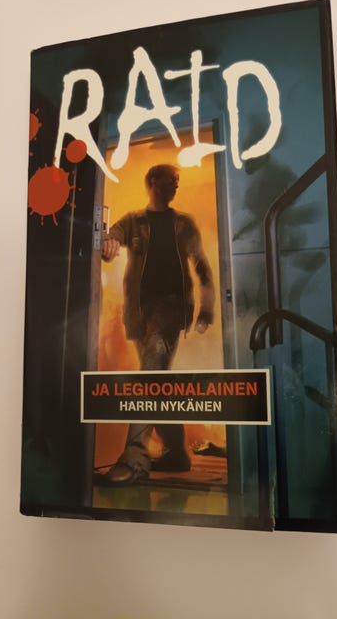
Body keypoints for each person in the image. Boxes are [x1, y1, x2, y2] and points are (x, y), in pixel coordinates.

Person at [102, 163, 215, 484]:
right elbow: (112, 236)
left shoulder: (183, 224)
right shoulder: (134, 221)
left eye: (178, 181)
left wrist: (206, 310)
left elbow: (202, 267)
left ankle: (135, 458)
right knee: (157, 379)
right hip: (139, 313)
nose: (176, 185)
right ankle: (176, 452)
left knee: (151, 373)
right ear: (153, 181)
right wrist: (108, 242)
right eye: (171, 180)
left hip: (171, 307)